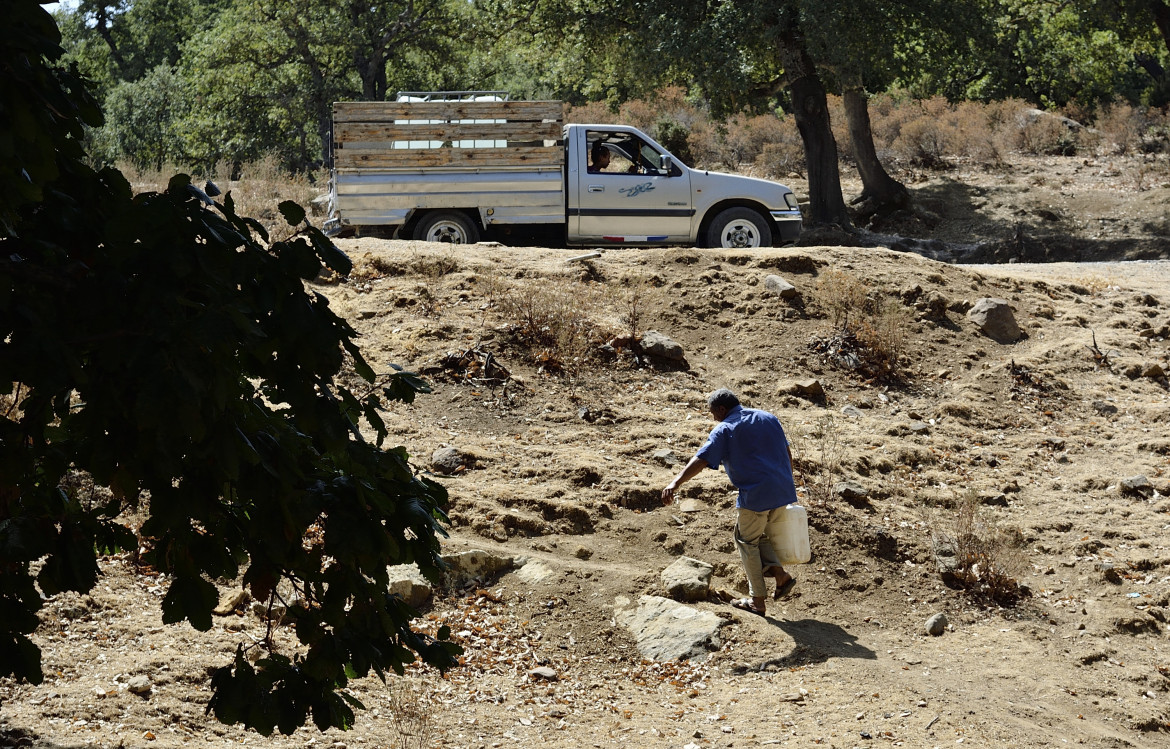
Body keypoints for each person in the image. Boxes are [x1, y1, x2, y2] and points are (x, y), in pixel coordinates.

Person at [661, 388, 798, 616]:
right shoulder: (768, 417)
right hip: (783, 489)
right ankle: (781, 576)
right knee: (756, 535)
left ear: (722, 409)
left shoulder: (724, 428)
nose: (713, 417)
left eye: (713, 412)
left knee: (746, 541)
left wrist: (675, 483)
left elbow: (702, 458)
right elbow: (786, 452)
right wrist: (787, 482)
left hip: (757, 495)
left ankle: (757, 601)